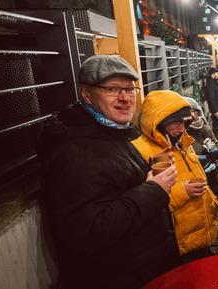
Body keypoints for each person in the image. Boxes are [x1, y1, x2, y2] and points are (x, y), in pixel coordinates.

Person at [37, 55, 181, 289]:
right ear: (86, 93)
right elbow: (86, 232)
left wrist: (147, 169)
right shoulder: (73, 149)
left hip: (145, 269)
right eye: (112, 89)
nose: (125, 98)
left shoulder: (114, 132)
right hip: (120, 277)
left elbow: (114, 183)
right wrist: (153, 190)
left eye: (129, 88)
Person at [132, 90, 218, 262]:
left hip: (199, 235)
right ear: (158, 122)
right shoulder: (141, 151)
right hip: (177, 244)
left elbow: (198, 176)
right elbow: (143, 203)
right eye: (174, 123)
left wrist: (211, 201)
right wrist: (183, 192)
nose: (181, 128)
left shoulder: (182, 142)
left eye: (184, 122)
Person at [183, 96, 218, 205]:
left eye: (194, 111)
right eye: (188, 112)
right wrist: (198, 160)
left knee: (215, 203)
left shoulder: (205, 128)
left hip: (212, 177)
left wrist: (216, 151)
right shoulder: (182, 133)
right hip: (196, 181)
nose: (192, 115)